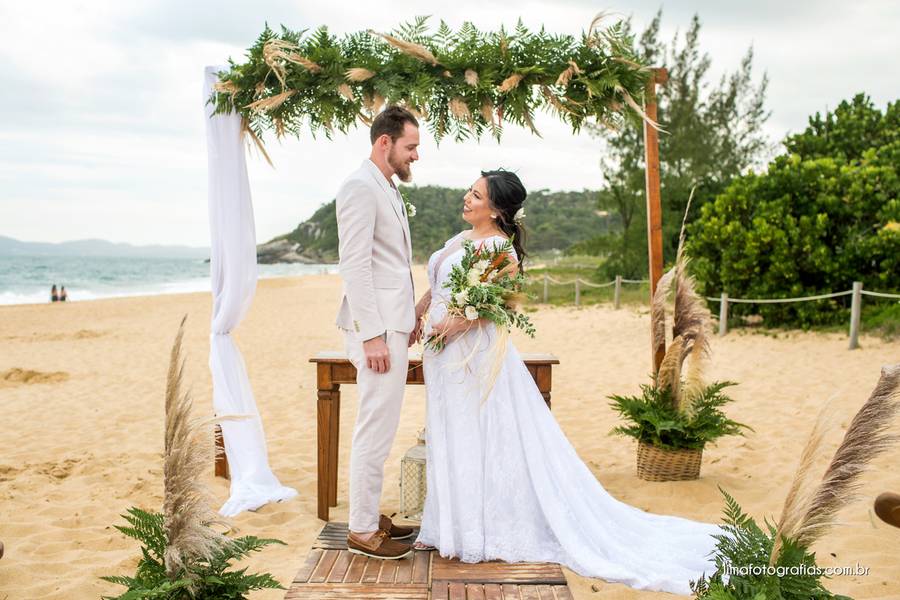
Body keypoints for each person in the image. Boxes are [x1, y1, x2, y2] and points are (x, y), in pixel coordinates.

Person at [412, 170, 723, 595]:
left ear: (498, 209)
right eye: (470, 189)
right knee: (451, 434)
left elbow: (486, 308)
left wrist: (450, 328)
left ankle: (478, 529)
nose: (467, 197)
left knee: (476, 436)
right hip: (441, 354)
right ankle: (450, 524)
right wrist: (420, 312)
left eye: (477, 194)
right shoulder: (460, 239)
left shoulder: (501, 250)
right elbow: (438, 285)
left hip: (471, 357)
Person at [335, 106, 421, 560]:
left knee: (382, 428)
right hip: (378, 331)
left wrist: (410, 314)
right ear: (384, 142)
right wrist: (371, 335)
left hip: (393, 324)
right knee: (374, 429)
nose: (415, 156)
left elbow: (390, 264)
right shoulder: (358, 186)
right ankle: (363, 528)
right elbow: (355, 265)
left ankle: (369, 515)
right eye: (411, 147)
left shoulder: (384, 186)